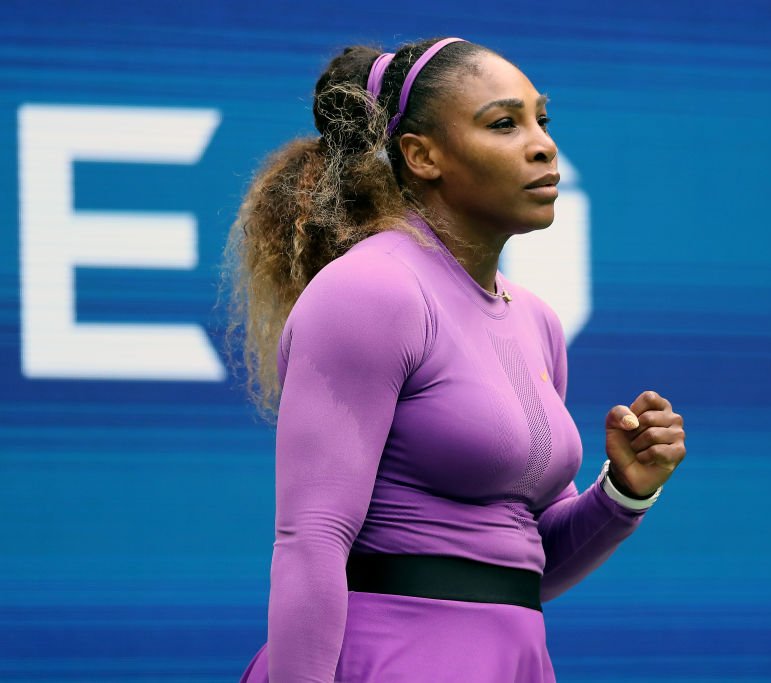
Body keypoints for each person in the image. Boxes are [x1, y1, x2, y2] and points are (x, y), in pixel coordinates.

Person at [224, 36, 687, 683]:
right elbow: (311, 542)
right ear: (421, 156)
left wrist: (624, 491)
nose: (542, 144)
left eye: (541, 120)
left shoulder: (538, 320)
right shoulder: (372, 290)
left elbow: (524, 566)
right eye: (504, 123)